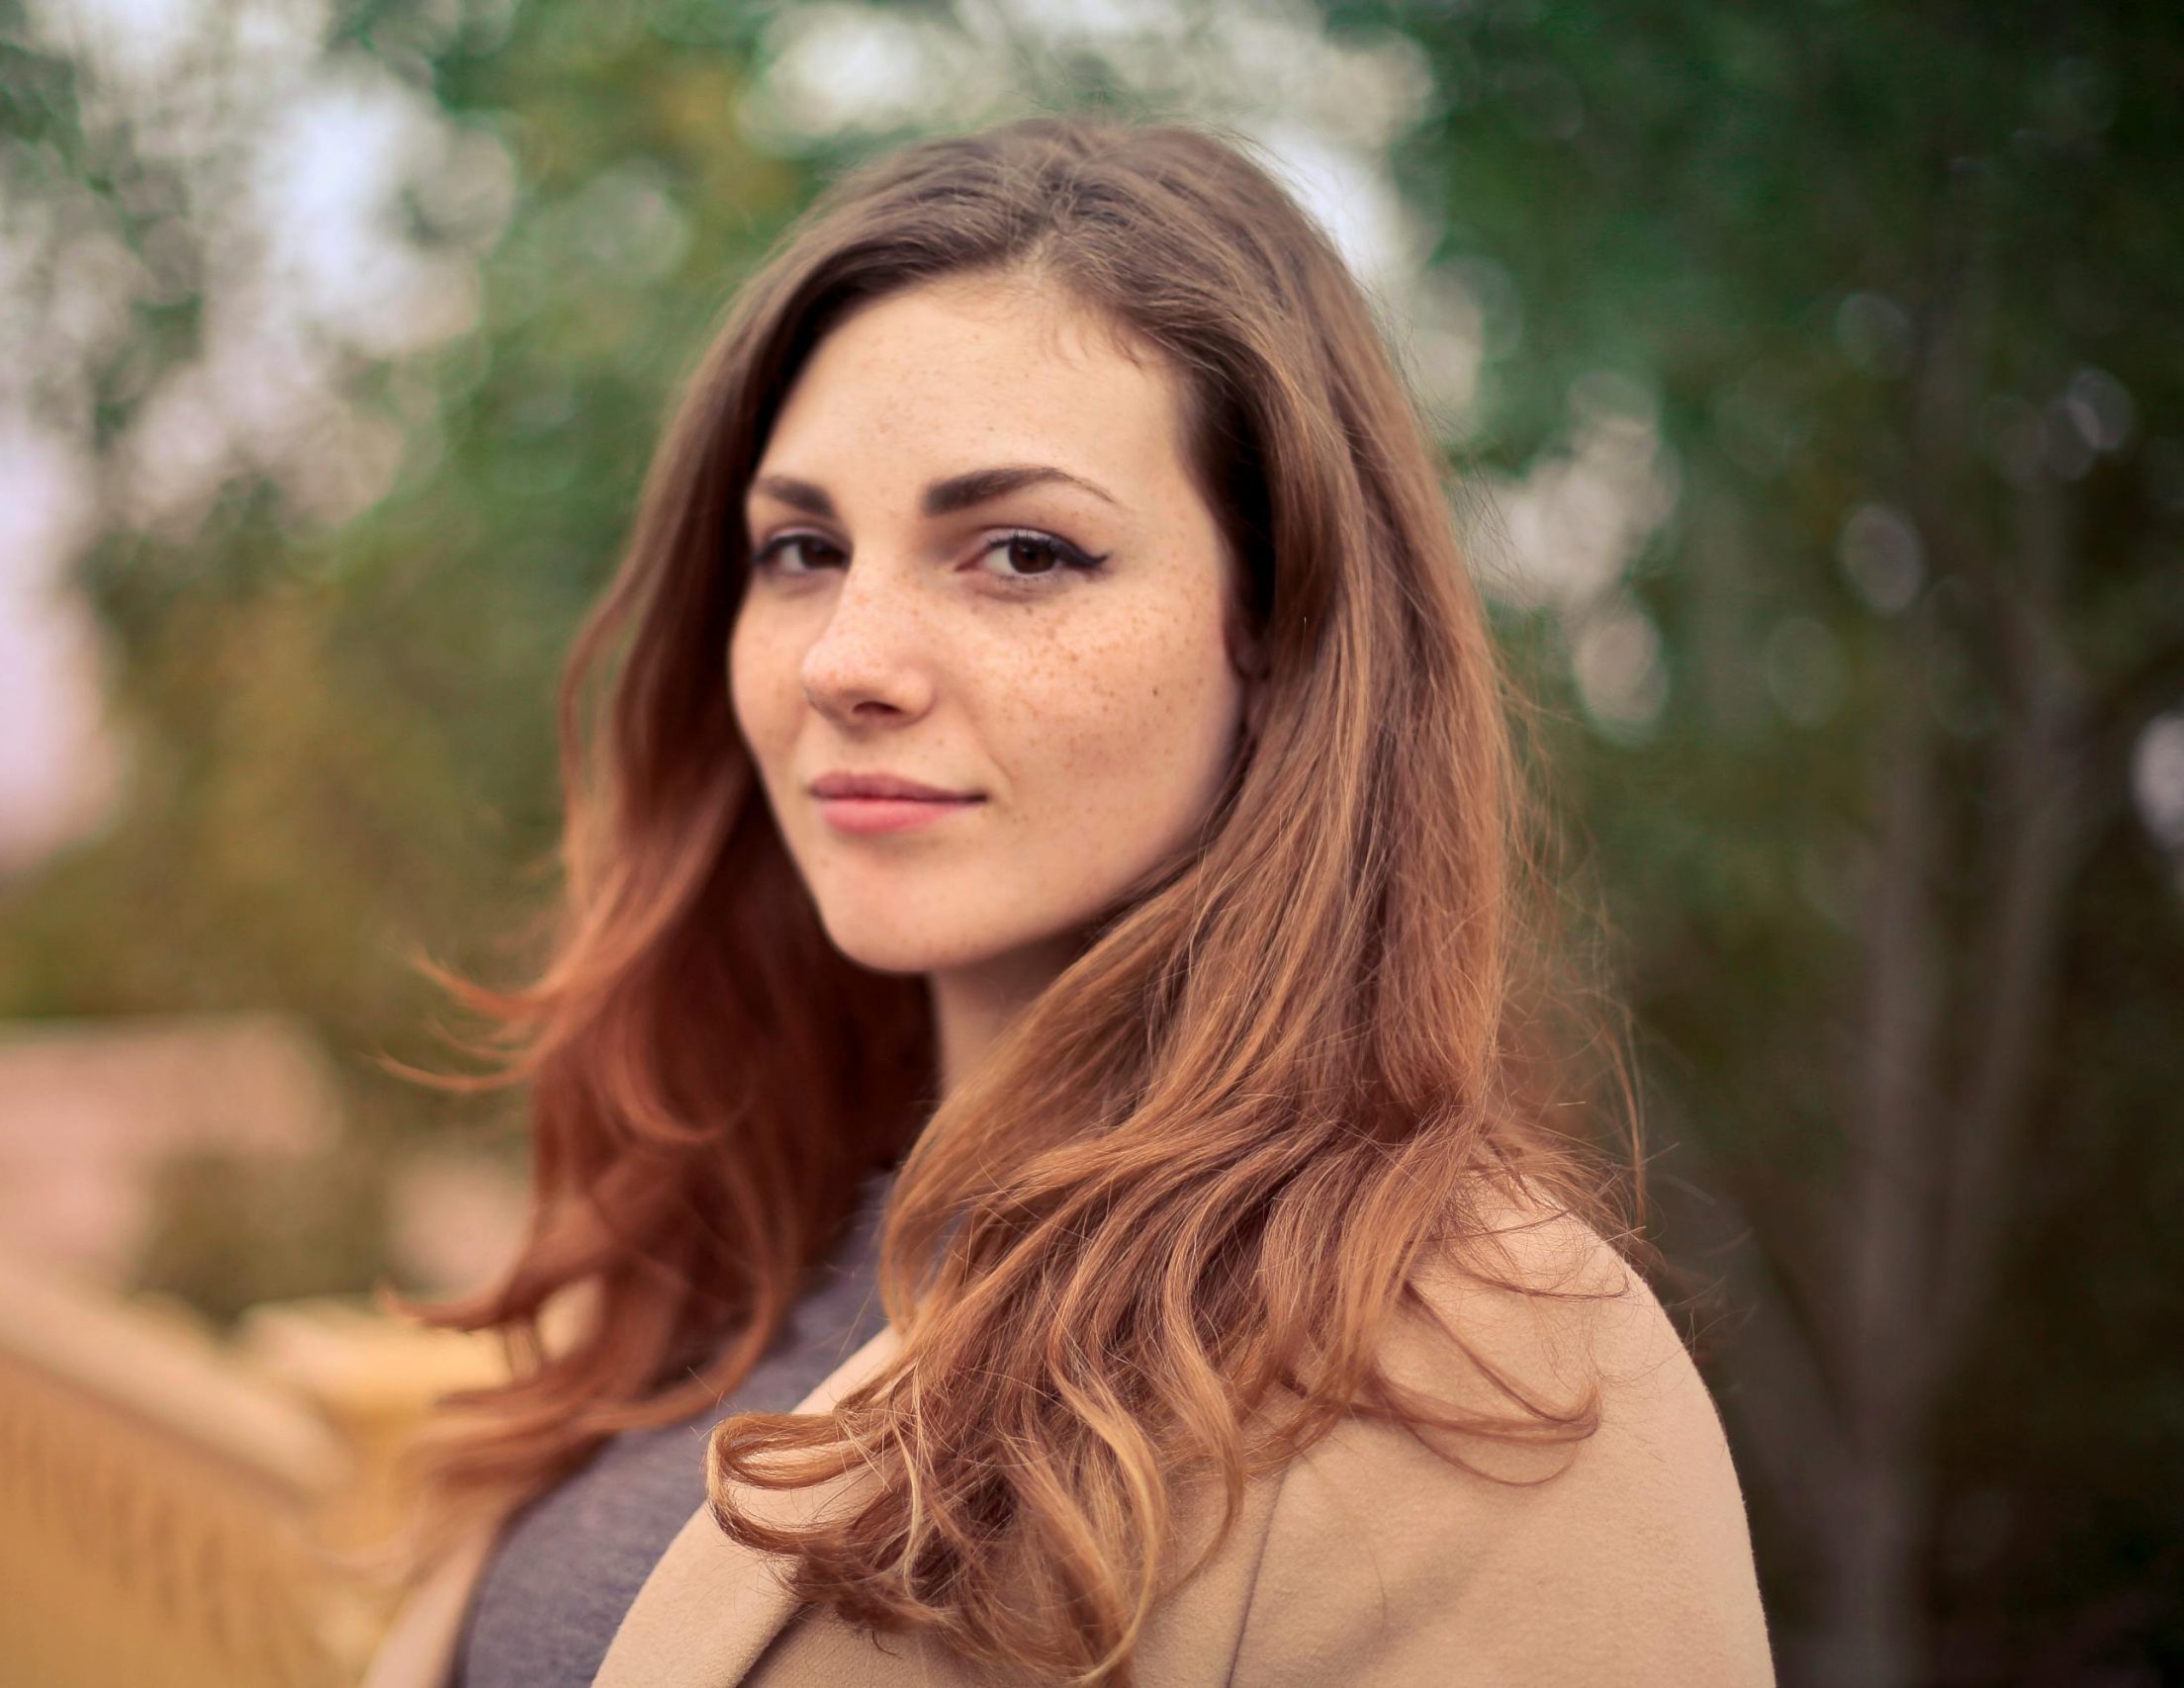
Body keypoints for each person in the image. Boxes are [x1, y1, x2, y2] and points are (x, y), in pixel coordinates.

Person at [359, 116, 1774, 1688]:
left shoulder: (1474, 1364)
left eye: (1021, 553)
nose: (847, 661)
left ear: (1278, 627)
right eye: (803, 549)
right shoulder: (727, 1246)